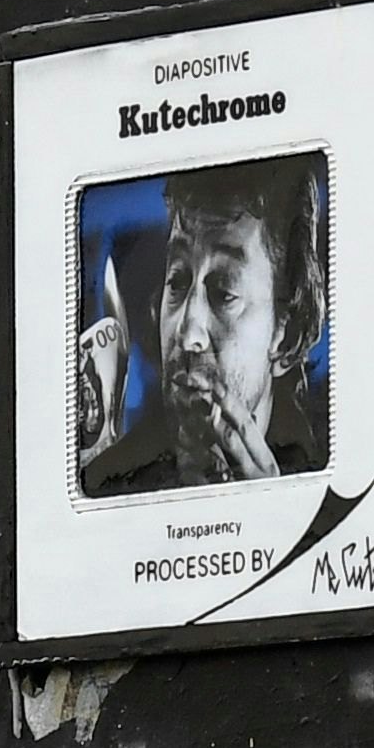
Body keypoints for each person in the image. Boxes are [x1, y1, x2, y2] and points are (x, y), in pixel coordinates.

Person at [73, 163, 324, 497]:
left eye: (224, 293)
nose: (189, 335)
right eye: (177, 282)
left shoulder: (327, 480)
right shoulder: (101, 486)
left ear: (287, 337)